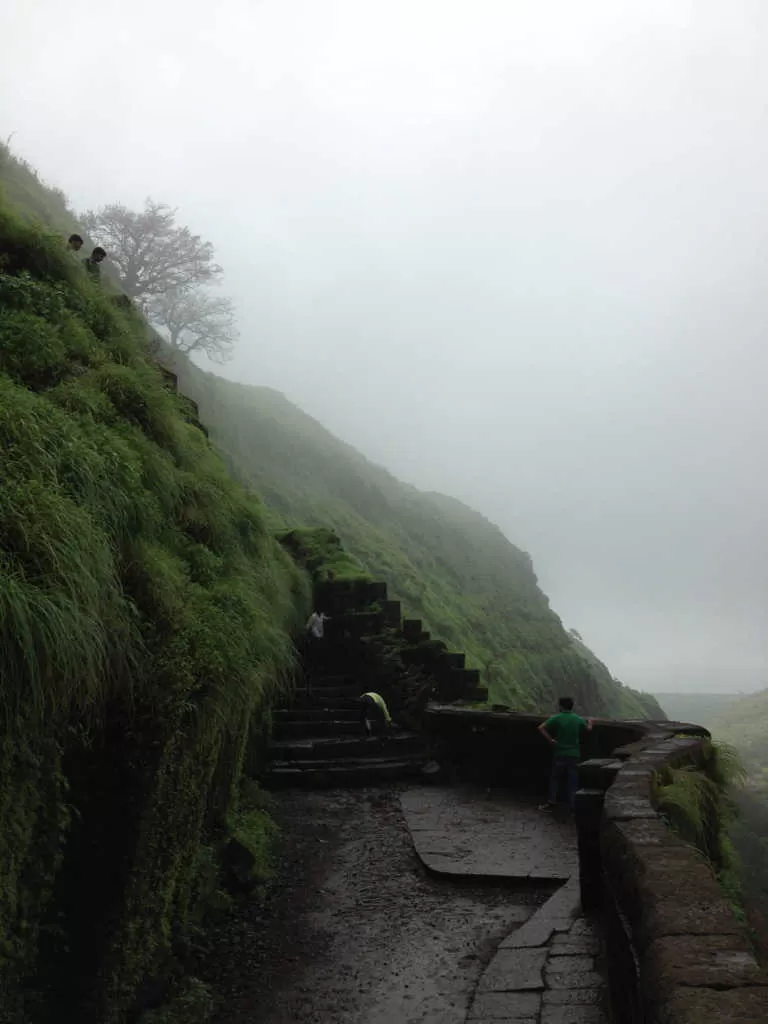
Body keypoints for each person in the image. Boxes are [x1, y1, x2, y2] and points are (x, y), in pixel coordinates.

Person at [537, 697, 593, 812]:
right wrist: (591, 722)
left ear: (561, 706)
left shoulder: (557, 718)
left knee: (555, 779)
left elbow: (541, 728)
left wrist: (551, 740)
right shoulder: (577, 719)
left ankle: (552, 803)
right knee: (573, 781)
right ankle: (572, 806)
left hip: (560, 753)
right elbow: (588, 729)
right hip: (574, 754)